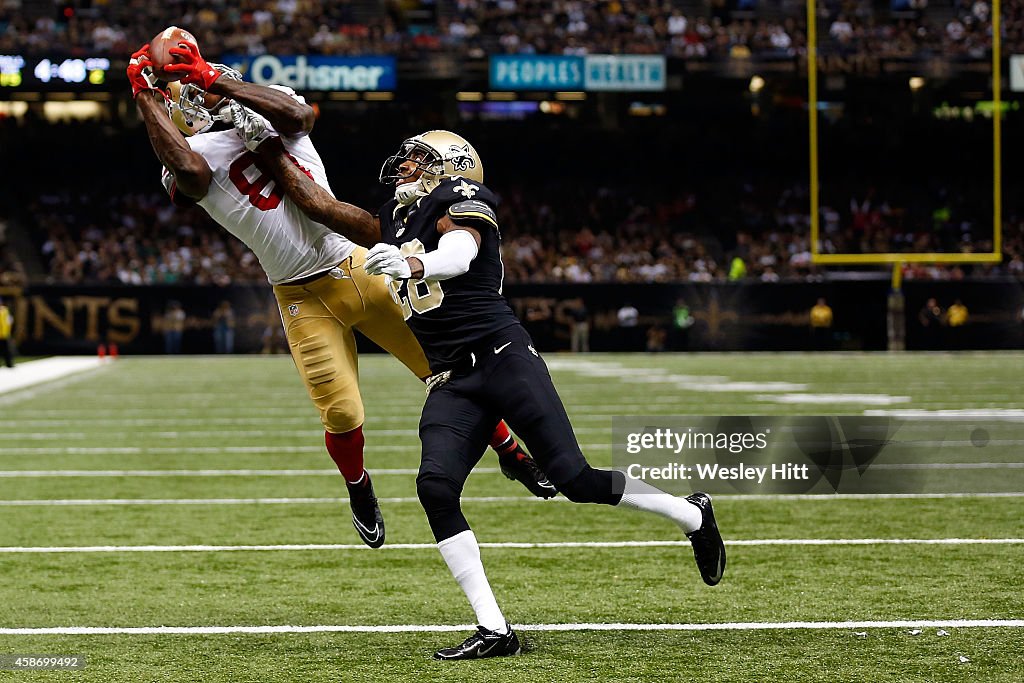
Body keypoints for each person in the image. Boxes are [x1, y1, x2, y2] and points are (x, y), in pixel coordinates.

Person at [245, 125, 727, 659]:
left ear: (448, 168)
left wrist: (413, 262)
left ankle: (692, 514)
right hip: (453, 378)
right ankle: (495, 628)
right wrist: (267, 150)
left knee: (577, 479)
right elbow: (322, 207)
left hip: (502, 357)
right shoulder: (398, 217)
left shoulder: (464, 199)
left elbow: (458, 254)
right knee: (434, 487)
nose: (405, 165)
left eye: (418, 159)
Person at [126, 38, 553, 549]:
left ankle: (512, 453)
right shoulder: (188, 151)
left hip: (357, 265)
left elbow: (298, 115)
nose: (197, 95)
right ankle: (359, 488)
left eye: (201, 81)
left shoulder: (263, 102)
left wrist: (217, 82)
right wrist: (145, 97)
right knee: (343, 413)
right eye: (186, 87)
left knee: (450, 370)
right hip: (299, 297)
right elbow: (191, 179)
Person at [0, 297, 14, 368]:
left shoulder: (5, 310)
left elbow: (9, 321)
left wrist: (8, 331)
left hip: (5, 334)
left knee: (7, 351)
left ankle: (9, 364)